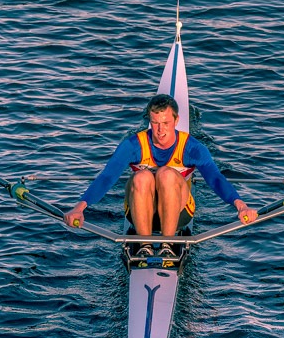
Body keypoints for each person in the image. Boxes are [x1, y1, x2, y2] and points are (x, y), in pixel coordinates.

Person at [64, 94, 258, 257]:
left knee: (166, 173)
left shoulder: (193, 148)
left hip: (179, 212)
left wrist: (241, 206)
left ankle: (169, 246)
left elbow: (215, 178)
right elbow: (107, 177)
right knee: (142, 177)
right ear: (149, 121)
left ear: (176, 121)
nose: (160, 130)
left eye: (166, 123)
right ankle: (144, 247)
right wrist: (79, 208)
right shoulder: (133, 145)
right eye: (155, 123)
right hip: (139, 210)